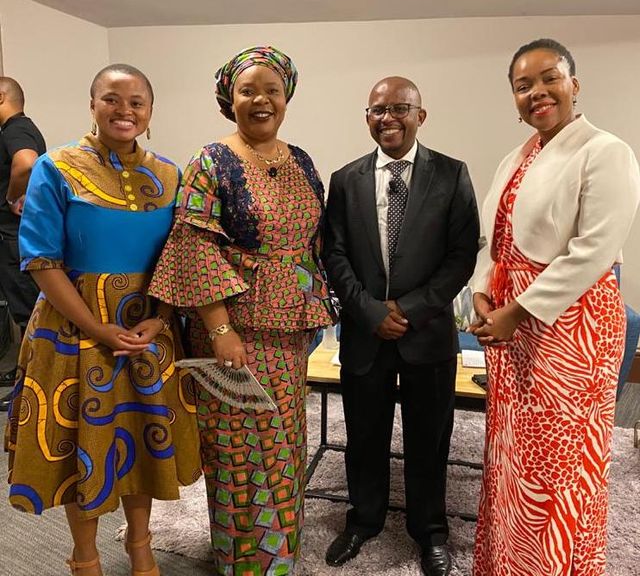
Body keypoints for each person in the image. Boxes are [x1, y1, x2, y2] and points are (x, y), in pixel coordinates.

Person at [5, 64, 201, 576]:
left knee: (142, 441)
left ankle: (141, 548)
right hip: (74, 330)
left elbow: (177, 258)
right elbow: (42, 260)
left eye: (137, 101)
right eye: (112, 99)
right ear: (92, 104)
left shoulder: (171, 174)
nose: (125, 110)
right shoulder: (56, 166)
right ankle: (84, 556)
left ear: (150, 112)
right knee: (80, 446)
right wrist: (95, 327)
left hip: (148, 330)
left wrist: (160, 318)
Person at [148, 45, 334, 576]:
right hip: (233, 328)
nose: (261, 100)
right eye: (248, 89)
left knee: (284, 441)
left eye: (272, 90)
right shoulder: (210, 160)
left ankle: (281, 556)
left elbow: (314, 240)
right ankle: (243, 562)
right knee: (237, 448)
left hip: (292, 327)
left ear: (287, 97)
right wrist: (222, 329)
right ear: (229, 98)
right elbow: (193, 245)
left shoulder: (299, 159)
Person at [468, 39, 640, 576]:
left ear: (574, 84)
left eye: (550, 78)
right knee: (514, 455)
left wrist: (516, 311)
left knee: (558, 464)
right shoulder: (515, 155)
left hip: (572, 328)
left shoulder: (605, 150)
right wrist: (480, 291)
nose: (537, 92)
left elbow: (592, 252)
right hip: (512, 327)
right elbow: (493, 241)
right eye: (523, 86)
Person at [322, 76, 480, 576]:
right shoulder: (345, 179)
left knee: (428, 437)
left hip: (426, 332)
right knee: (364, 433)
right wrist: (370, 311)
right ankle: (363, 520)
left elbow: (461, 256)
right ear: (366, 117)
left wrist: (408, 309)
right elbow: (334, 253)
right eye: (377, 110)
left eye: (399, 109)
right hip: (366, 332)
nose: (387, 118)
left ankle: (430, 530)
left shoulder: (452, 174)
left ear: (420, 115)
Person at [0, 77, 46, 410]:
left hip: (14, 236)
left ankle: (33, 387)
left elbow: (26, 163)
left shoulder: (16, 129)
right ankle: (24, 380)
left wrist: (11, 195)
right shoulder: (17, 129)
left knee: (28, 311)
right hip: (13, 235)